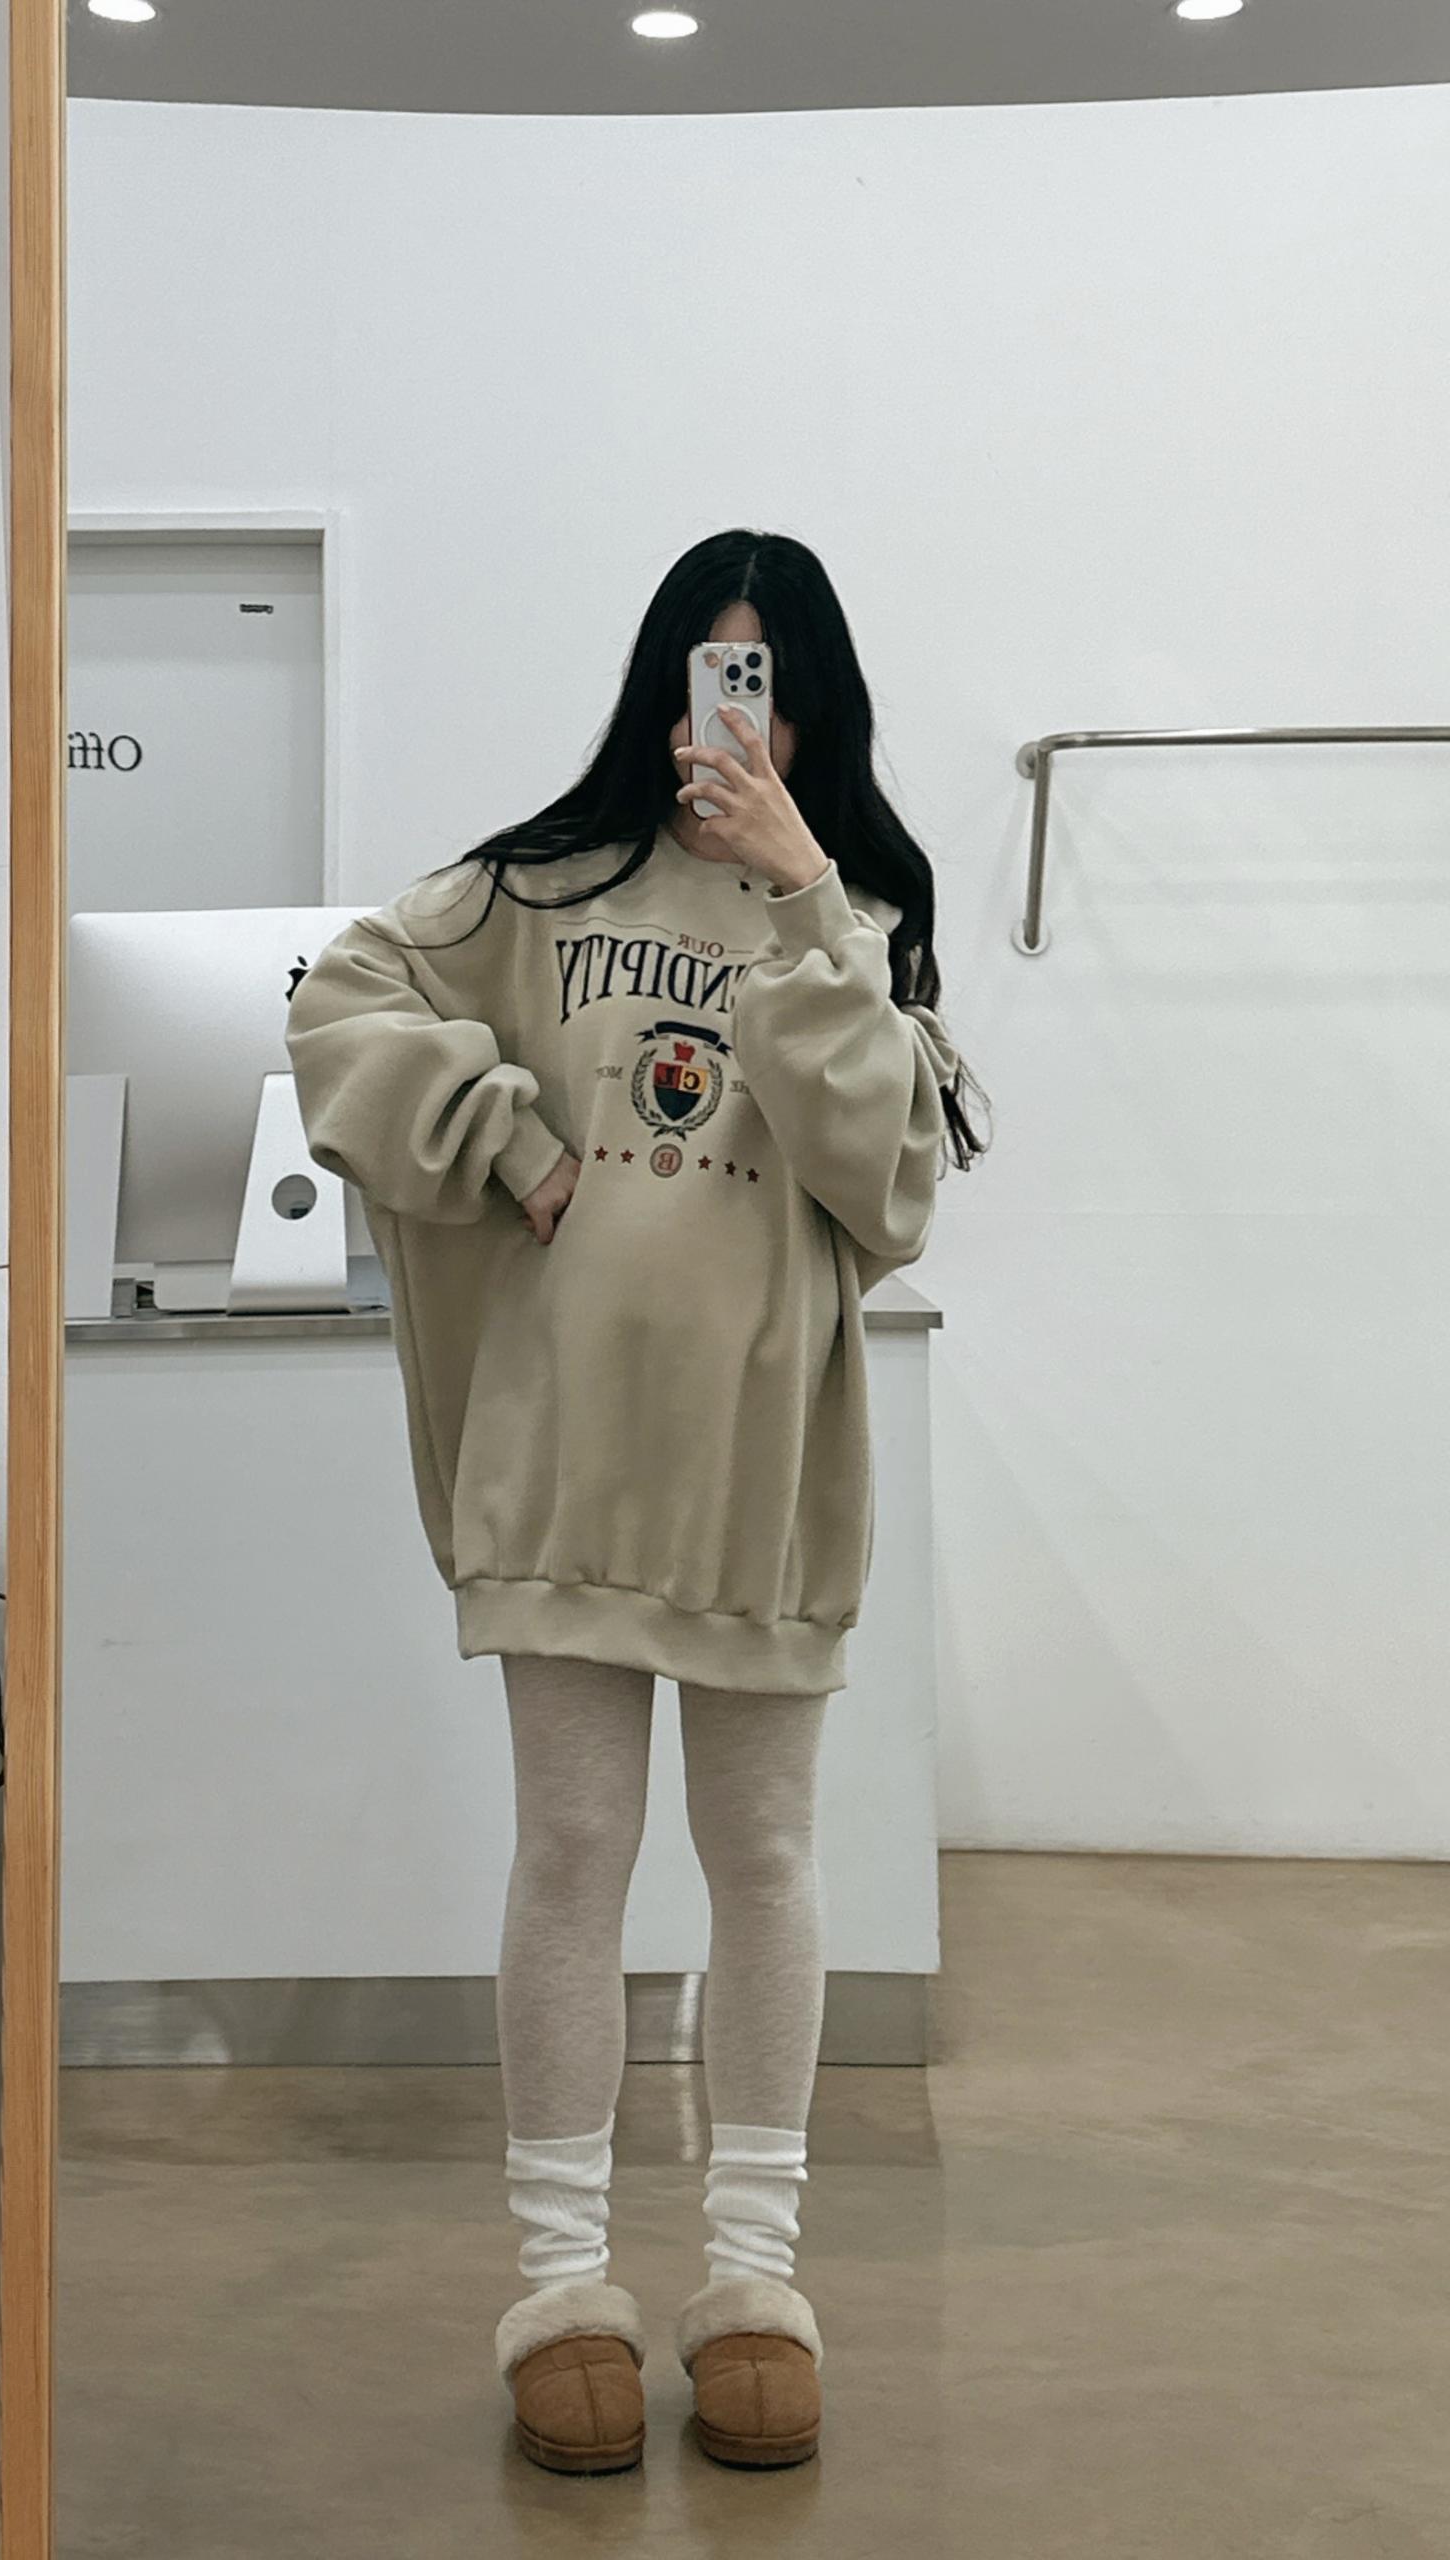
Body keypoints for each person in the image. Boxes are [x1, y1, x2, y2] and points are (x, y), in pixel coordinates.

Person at [284, 527, 988, 2473]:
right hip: (569, 1454)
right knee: (576, 1847)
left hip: (765, 1475)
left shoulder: (867, 909)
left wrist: (806, 901)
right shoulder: (540, 886)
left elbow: (888, 1184)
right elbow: (339, 997)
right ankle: (562, 2282)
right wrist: (500, 1134)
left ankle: (755, 2274)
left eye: (766, 683)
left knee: (763, 1857)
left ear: (814, 705)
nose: (728, 721)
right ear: (660, 687)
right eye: (706, 675)